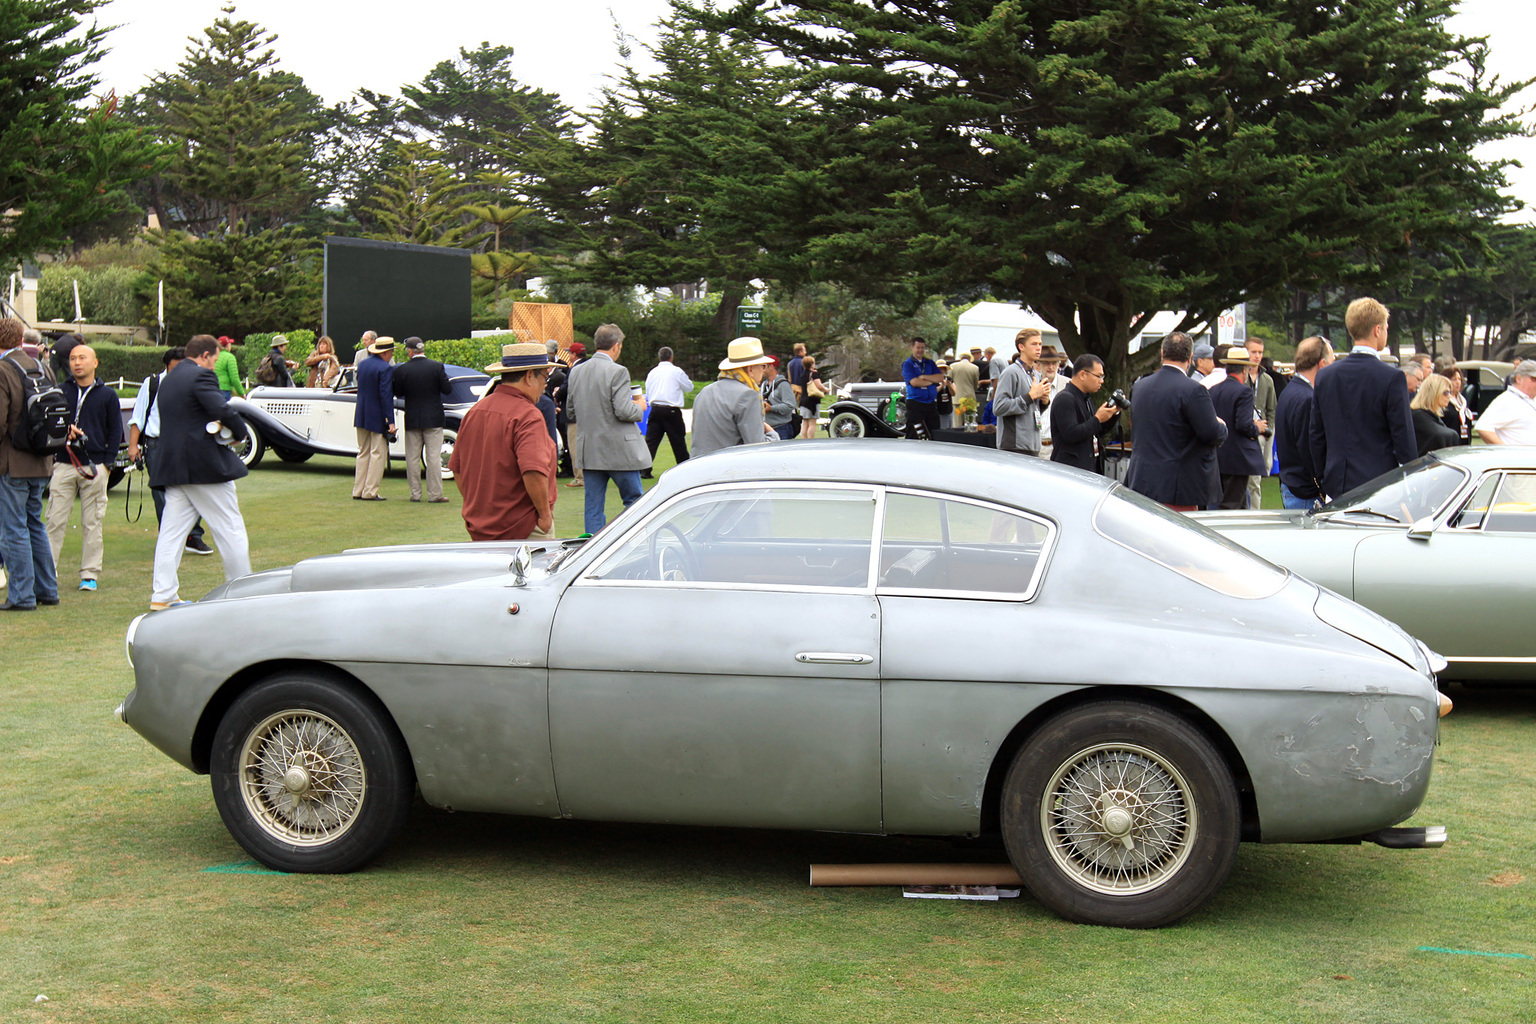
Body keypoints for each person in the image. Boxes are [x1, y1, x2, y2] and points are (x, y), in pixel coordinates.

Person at [147, 334, 251, 611]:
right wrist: (240, 432)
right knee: (230, 528)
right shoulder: (200, 377)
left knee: (171, 533)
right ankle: (242, 591)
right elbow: (220, 408)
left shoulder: (169, 380)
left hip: (174, 465)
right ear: (205, 355)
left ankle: (163, 594)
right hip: (203, 465)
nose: (213, 366)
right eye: (214, 360)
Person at [1308, 298, 1416, 500]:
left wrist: (1323, 477)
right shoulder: (1391, 377)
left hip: (1336, 482)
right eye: (1385, 327)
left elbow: (1316, 435)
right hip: (1379, 485)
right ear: (1377, 330)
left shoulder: (1326, 375)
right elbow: (1403, 438)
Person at [449, 343, 558, 541]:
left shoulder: (476, 411)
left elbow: (458, 468)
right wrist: (544, 514)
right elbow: (533, 470)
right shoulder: (528, 415)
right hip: (523, 528)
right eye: (544, 377)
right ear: (529, 376)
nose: (545, 385)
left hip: (482, 528)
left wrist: (478, 507)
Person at [45, 344, 121, 591]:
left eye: (82, 358)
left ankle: (89, 574)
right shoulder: (60, 390)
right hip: (64, 464)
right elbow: (49, 423)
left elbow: (115, 430)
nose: (77, 362)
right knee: (54, 521)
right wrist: (64, 430)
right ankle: (47, 572)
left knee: (93, 523)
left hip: (95, 466)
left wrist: (107, 465)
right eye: (73, 358)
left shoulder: (107, 395)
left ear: (95, 362)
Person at [1125, 331, 1228, 511]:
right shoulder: (1193, 390)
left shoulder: (1140, 387)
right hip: (1177, 487)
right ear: (1190, 357)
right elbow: (1211, 433)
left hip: (1142, 481)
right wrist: (1221, 425)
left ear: (1162, 354)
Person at [127, 347, 212, 556]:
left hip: (188, 445)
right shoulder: (152, 384)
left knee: (195, 491)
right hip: (157, 444)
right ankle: (170, 537)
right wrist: (133, 446)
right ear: (166, 366)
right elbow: (138, 417)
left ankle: (193, 536)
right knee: (162, 495)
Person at [0, 318, 59, 611]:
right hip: (41, 458)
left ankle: (21, 594)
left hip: (13, 461)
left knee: (13, 529)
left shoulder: (3, 369)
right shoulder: (43, 367)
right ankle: (47, 588)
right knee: (35, 524)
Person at [567, 324, 648, 533]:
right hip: (619, 450)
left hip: (590, 449)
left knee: (593, 507)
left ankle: (591, 552)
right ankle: (632, 544)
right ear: (617, 346)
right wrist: (639, 406)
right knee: (634, 502)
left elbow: (570, 412)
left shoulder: (576, 371)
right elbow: (624, 411)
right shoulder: (618, 371)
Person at [1274, 336, 1333, 510]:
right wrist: (1323, 487)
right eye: (1332, 362)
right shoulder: (1306, 398)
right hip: (1305, 491)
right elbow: (1311, 451)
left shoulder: (1291, 390)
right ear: (1322, 364)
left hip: (1294, 485)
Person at [692, 337, 777, 457]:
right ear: (750, 369)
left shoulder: (705, 392)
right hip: (729, 470)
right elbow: (758, 447)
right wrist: (773, 435)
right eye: (762, 366)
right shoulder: (748, 395)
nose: (763, 371)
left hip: (698, 468)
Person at [392, 336, 452, 503]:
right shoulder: (436, 367)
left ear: (410, 351)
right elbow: (447, 389)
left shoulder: (402, 370)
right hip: (433, 417)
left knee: (412, 457)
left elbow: (397, 392)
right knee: (433, 457)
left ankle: (415, 494)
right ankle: (435, 494)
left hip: (413, 417)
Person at [1210, 346, 1265, 509]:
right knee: (1232, 504)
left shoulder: (1213, 390)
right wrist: (1258, 429)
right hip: (1237, 458)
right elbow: (1243, 424)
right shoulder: (1243, 391)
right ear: (1245, 370)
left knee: (1229, 502)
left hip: (1218, 456)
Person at [1049, 353, 1120, 471]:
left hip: (1087, 467)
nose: (1101, 381)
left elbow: (1095, 431)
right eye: (1099, 376)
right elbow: (1071, 434)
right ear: (1083, 375)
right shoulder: (1065, 398)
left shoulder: (1085, 398)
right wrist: (1097, 419)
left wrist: (1112, 415)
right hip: (1070, 470)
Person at [992, 328, 1051, 457]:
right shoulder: (1011, 372)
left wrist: (1043, 402)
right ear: (1021, 347)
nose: (1038, 348)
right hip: (1014, 446)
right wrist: (1030, 396)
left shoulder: (1035, 374)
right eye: (1034, 344)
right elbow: (999, 407)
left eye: (1040, 344)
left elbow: (1030, 409)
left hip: (1033, 444)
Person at [352, 336, 397, 500]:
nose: (391, 355)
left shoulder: (363, 364)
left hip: (361, 413)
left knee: (363, 452)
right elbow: (386, 396)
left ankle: (358, 490)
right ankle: (370, 491)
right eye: (391, 352)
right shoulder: (385, 368)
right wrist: (390, 421)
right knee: (378, 453)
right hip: (376, 415)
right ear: (386, 352)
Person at [643, 345, 692, 472]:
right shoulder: (677, 371)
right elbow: (689, 387)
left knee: (651, 441)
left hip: (655, 409)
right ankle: (685, 468)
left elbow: (648, 391)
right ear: (671, 357)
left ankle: (644, 469)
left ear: (659, 358)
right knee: (678, 441)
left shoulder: (652, 372)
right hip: (671, 410)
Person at [1245, 337, 1276, 511]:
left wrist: (1267, 432)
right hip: (1244, 433)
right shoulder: (1240, 377)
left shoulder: (1267, 380)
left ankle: (1255, 514)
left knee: (1256, 480)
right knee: (1245, 480)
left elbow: (1272, 410)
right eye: (1253, 352)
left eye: (1260, 352)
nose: (1257, 356)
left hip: (1261, 436)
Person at [1475, 360, 1536, 445]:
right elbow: (1483, 427)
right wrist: (1505, 451)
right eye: (1534, 379)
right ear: (1518, 379)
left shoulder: (1530, 400)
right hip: (1517, 457)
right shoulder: (1507, 400)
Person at [901, 338, 943, 439]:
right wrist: (932, 382)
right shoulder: (908, 364)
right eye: (918, 348)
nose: (920, 350)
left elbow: (940, 378)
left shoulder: (929, 363)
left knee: (935, 433)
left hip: (931, 403)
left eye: (922, 348)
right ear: (912, 347)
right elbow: (914, 382)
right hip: (916, 404)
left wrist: (924, 377)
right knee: (915, 434)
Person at [1410, 374, 1459, 457]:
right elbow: (1437, 434)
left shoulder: (1431, 415)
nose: (1449, 396)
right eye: (1446, 393)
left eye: (1450, 392)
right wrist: (1454, 435)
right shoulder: (1418, 415)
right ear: (1434, 393)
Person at [560, 341, 588, 488]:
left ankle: (580, 478)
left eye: (570, 353)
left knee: (575, 446)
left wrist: (556, 393)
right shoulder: (590, 366)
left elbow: (566, 390)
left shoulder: (574, 370)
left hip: (574, 414)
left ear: (574, 354)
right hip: (589, 413)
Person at [762, 356, 796, 440]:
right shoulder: (764, 385)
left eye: (764, 366)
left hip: (782, 429)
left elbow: (790, 405)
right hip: (767, 429)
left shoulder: (783, 384)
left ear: (771, 366)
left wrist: (771, 408)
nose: (761, 369)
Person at [795, 354, 827, 438]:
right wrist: (826, 390)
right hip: (812, 401)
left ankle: (804, 440)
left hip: (803, 401)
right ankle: (810, 440)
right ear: (812, 364)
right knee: (812, 423)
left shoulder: (802, 375)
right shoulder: (813, 374)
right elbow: (819, 385)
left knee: (805, 423)